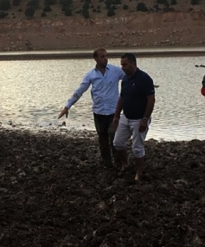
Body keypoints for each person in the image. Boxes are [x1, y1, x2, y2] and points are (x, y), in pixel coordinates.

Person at [58, 48, 125, 168]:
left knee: (114, 138)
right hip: (98, 112)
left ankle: (119, 164)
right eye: (102, 56)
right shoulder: (91, 75)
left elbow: (130, 76)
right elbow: (80, 91)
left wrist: (146, 84)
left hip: (113, 112)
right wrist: (67, 106)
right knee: (102, 139)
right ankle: (107, 164)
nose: (105, 58)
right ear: (95, 59)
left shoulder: (115, 71)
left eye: (106, 56)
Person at [112, 53, 156, 181]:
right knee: (118, 143)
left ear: (133, 63)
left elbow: (151, 100)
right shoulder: (125, 79)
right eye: (121, 65)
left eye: (125, 65)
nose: (123, 68)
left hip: (139, 118)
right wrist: (116, 116)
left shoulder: (144, 79)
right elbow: (122, 97)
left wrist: (145, 119)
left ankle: (139, 172)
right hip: (126, 116)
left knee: (137, 147)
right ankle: (125, 164)